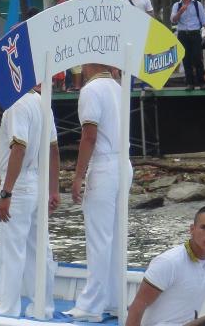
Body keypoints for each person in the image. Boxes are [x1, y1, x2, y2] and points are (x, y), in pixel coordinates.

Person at [67, 63, 133, 322]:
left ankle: (91, 305)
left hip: (105, 165)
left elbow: (89, 136)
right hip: (123, 164)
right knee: (116, 236)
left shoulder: (91, 90)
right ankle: (115, 301)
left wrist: (78, 175)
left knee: (99, 238)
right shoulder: (118, 88)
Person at [0, 87, 61, 319]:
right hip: (37, 182)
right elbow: (53, 148)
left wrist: (6, 193)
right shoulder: (43, 102)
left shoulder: (17, 105)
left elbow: (18, 148)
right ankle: (44, 308)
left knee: (10, 251)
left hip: (18, 184)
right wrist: (53, 189)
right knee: (38, 249)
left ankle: (6, 310)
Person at [171, 0, 205, 90]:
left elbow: (204, 21)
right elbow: (173, 20)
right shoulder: (177, 5)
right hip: (183, 34)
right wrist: (180, 12)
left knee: (197, 57)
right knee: (186, 59)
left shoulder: (197, 5)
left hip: (195, 33)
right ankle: (190, 83)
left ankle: (201, 82)